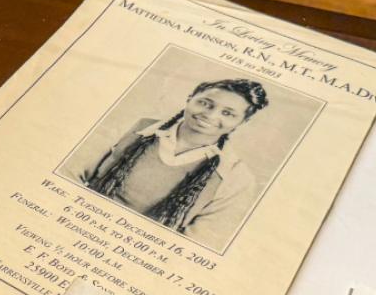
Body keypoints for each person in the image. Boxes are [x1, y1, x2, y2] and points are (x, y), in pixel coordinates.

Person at [78, 79, 270, 250]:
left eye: (227, 113)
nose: (210, 115)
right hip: (82, 220)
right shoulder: (137, 127)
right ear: (190, 99)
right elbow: (72, 169)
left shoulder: (236, 177)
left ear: (243, 122)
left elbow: (198, 244)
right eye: (204, 103)